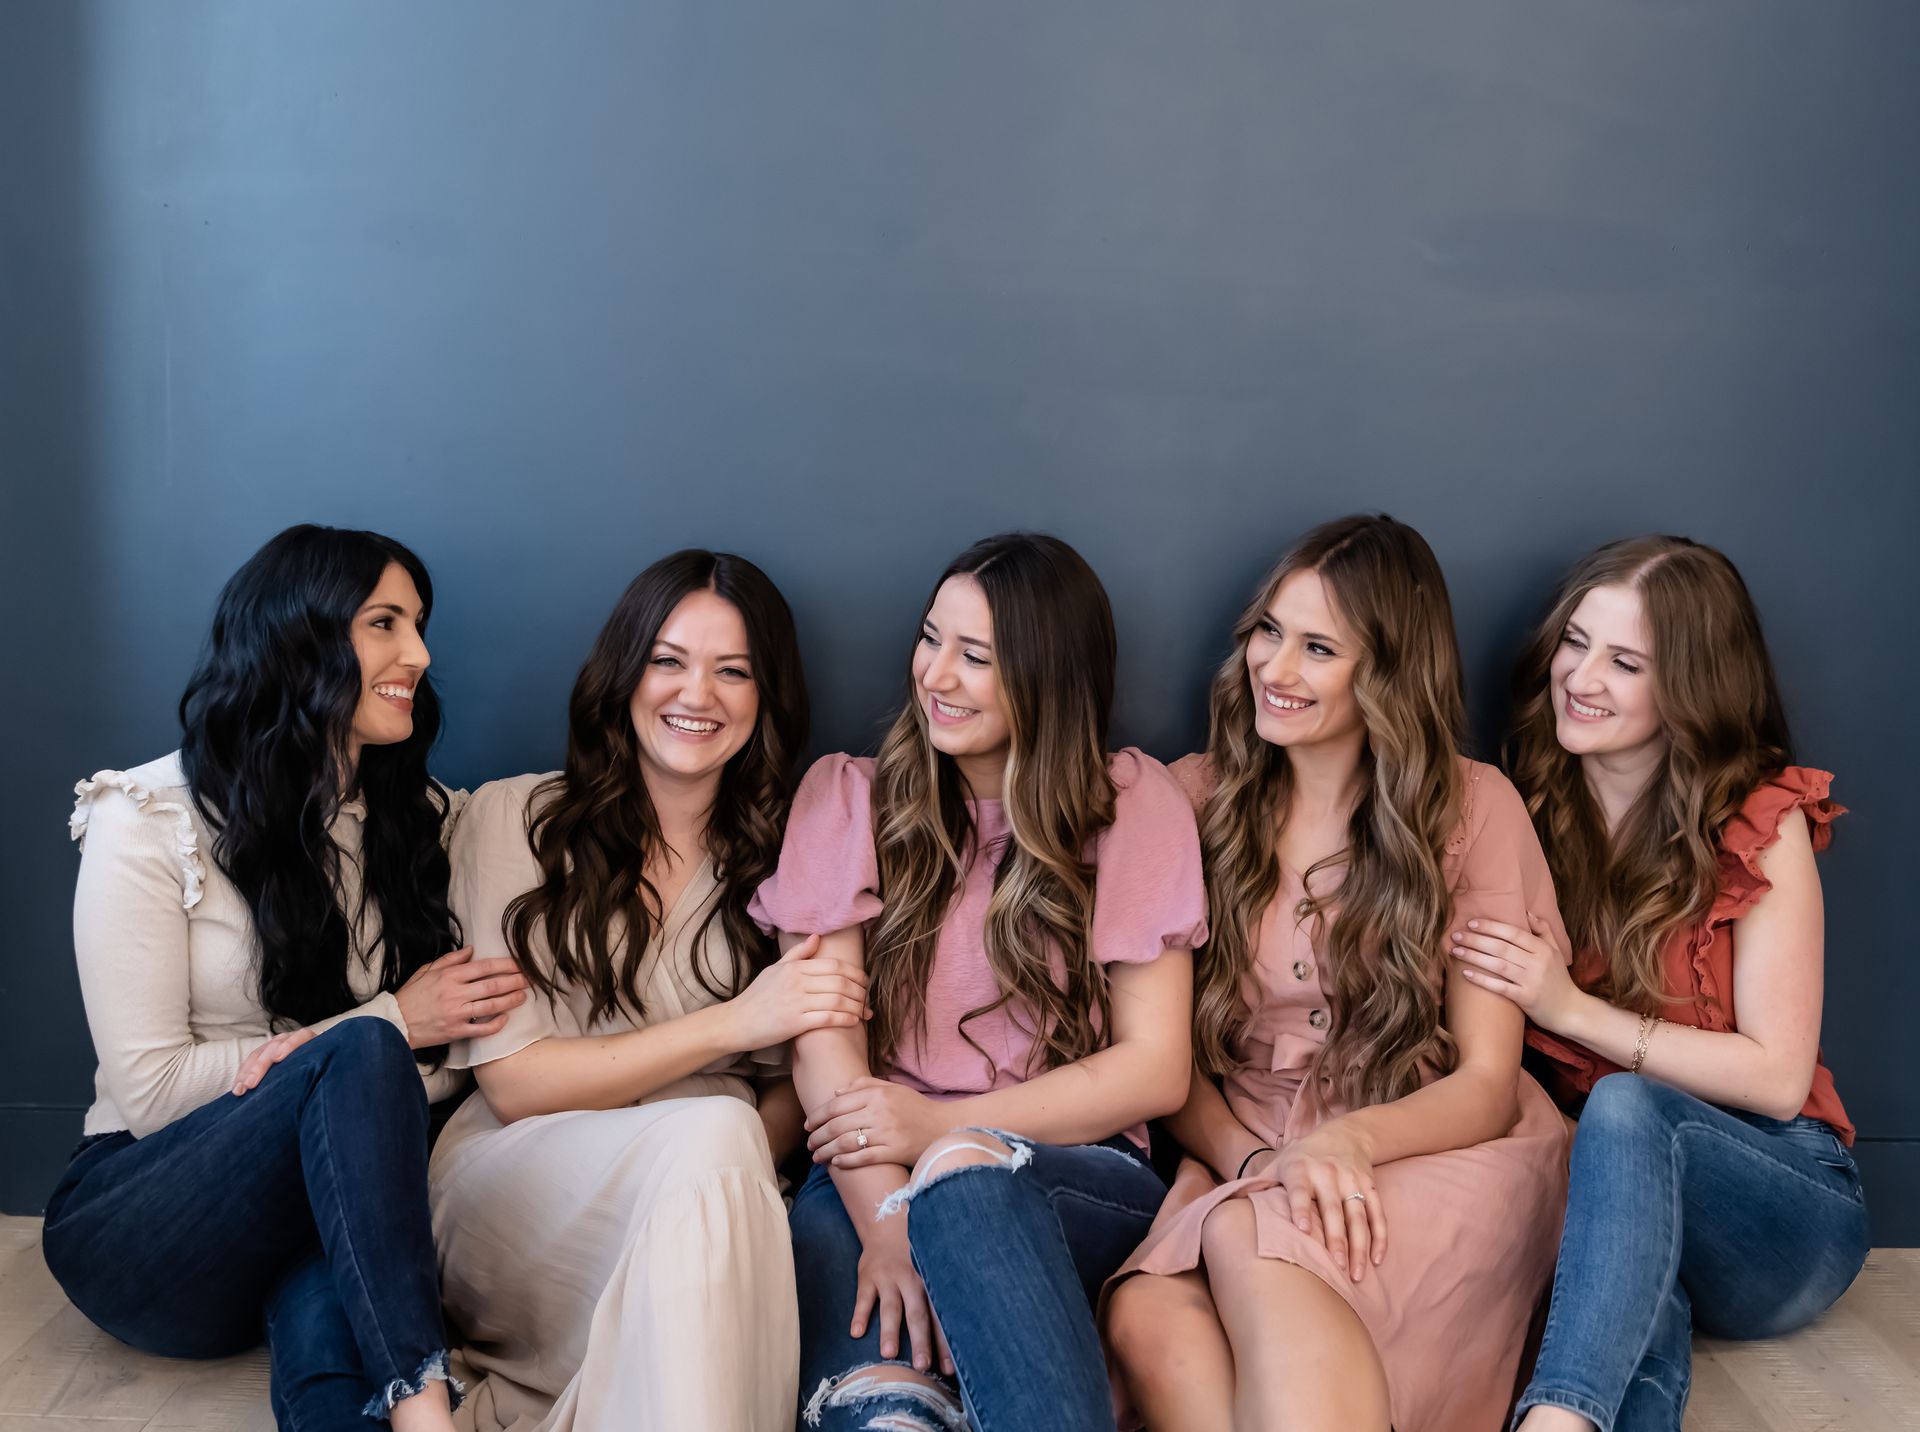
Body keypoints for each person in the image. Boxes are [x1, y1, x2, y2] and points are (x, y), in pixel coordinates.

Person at [45, 524, 522, 1431]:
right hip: (144, 1221)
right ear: (296, 635)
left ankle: (416, 1414)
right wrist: (390, 1023)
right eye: (384, 623)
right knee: (365, 1051)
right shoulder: (148, 816)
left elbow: (442, 1060)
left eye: (419, 625)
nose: (420, 656)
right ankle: (432, 1412)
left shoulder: (418, 820)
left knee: (331, 1320)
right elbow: (150, 1091)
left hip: (321, 1215)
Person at [1106, 514, 1570, 1432]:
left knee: (1251, 1232)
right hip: (1246, 1146)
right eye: (1269, 632)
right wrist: (1253, 1160)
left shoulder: (1476, 809)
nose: (1274, 668)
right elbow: (1161, 1059)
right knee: (1144, 1314)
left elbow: (1486, 1083)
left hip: (1433, 1147)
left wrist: (1347, 1144)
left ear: (1387, 674)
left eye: (1318, 648)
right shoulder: (1188, 799)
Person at [754, 532, 1207, 1432]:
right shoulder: (846, 799)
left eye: (976, 656)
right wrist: (891, 1223)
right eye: (931, 638)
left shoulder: (1130, 806)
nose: (937, 675)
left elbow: (1156, 1069)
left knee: (966, 1180)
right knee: (884, 1413)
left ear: (1047, 677)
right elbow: (824, 1044)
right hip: (866, 1172)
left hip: (1070, 1174)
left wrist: (941, 1134)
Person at [428, 549, 862, 1432]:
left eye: (733, 671)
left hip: (710, 1192)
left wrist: (719, 1173)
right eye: (669, 660)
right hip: (515, 1186)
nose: (697, 694)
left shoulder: (788, 855)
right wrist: (733, 1026)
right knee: (717, 1131)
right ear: (624, 673)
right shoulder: (516, 819)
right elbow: (517, 1085)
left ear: (766, 696)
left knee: (722, 1146)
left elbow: (787, 1091)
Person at [1457, 535, 1867, 1432]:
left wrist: (1569, 1010)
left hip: (1783, 1211)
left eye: (1626, 661)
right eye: (1576, 642)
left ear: (1691, 685)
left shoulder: (1760, 823)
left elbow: (1777, 1080)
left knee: (1626, 1109)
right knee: (1629, 1294)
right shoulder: (1518, 809)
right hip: (1613, 1203)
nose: (1581, 677)